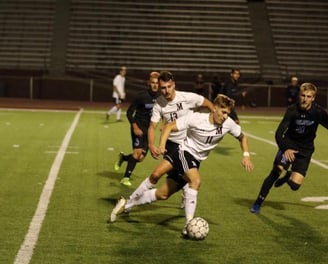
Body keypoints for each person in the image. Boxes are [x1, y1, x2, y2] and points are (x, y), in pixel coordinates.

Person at [109, 94, 254, 236]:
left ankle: (127, 204)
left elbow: (243, 137)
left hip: (195, 160)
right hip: (184, 153)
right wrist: (162, 145)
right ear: (214, 108)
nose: (225, 116)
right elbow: (169, 127)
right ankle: (189, 224)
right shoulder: (196, 119)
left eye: (227, 113)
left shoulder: (228, 124)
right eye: (223, 112)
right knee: (195, 181)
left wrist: (246, 155)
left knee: (163, 194)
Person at [250, 83, 328, 214]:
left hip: (305, 150)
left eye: (308, 96)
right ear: (299, 95)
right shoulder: (292, 110)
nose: (305, 99)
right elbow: (279, 133)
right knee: (276, 171)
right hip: (289, 145)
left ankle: (289, 176)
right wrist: (286, 148)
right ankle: (258, 203)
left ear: (313, 98)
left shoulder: (318, 112)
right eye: (303, 95)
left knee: (295, 186)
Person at [114, 72, 160, 186]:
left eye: (157, 83)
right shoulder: (141, 96)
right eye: (153, 83)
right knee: (137, 152)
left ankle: (124, 158)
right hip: (138, 127)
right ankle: (125, 178)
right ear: (148, 83)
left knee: (140, 158)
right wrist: (134, 126)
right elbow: (129, 112)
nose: (155, 85)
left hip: (149, 130)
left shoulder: (161, 98)